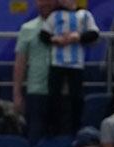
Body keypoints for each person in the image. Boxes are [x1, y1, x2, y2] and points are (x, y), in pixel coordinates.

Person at [44, 0, 101, 139]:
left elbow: (94, 33)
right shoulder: (54, 16)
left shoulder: (85, 15)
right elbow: (44, 34)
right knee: (54, 97)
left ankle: (76, 129)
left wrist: (79, 37)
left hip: (76, 63)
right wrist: (54, 39)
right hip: (57, 62)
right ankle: (53, 130)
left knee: (76, 97)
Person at [13, 0, 56, 139]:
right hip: (36, 91)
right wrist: (17, 94)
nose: (45, 3)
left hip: (61, 91)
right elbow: (20, 63)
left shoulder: (67, 27)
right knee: (35, 136)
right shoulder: (27, 28)